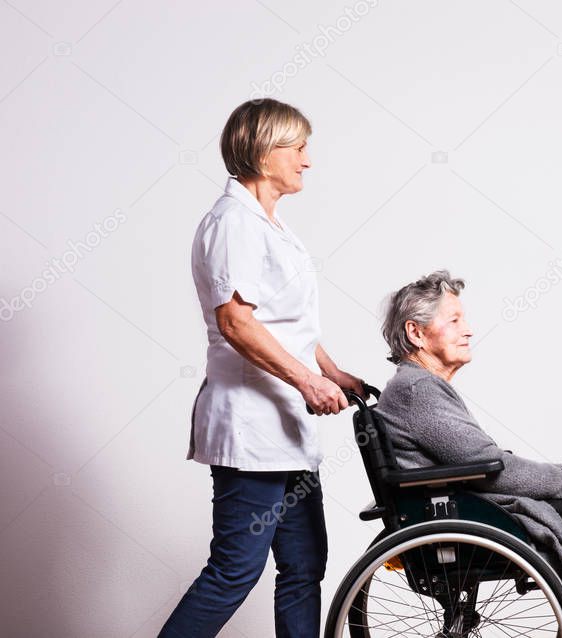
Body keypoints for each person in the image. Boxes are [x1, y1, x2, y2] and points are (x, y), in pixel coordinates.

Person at [372, 270, 562, 638]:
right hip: (471, 523)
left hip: (471, 511)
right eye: (454, 320)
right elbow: (495, 470)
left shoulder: (418, 387)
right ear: (417, 333)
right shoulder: (417, 389)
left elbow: (485, 461)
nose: (468, 330)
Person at [159, 99, 365, 638]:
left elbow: (287, 322)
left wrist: (332, 371)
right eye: (297, 148)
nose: (307, 160)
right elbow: (236, 322)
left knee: (304, 566)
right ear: (262, 152)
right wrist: (306, 380)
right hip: (252, 426)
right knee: (234, 571)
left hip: (286, 424)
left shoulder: (270, 224)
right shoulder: (232, 224)